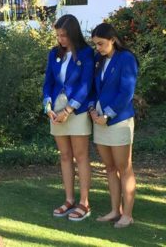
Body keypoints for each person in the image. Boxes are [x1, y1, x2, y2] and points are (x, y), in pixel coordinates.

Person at [42, 14, 94, 221]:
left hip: (77, 111)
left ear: (73, 33)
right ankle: (69, 199)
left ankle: (84, 202)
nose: (60, 39)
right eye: (58, 36)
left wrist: (69, 110)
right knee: (64, 156)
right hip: (56, 110)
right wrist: (46, 104)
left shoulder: (87, 53)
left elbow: (86, 85)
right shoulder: (54, 54)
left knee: (81, 156)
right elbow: (48, 82)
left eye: (64, 35)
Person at [90, 23, 138, 228]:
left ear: (112, 39)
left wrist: (107, 116)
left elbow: (126, 92)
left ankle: (127, 214)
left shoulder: (126, 59)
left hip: (118, 121)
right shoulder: (99, 60)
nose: (98, 48)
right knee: (109, 168)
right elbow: (94, 88)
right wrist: (93, 110)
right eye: (95, 45)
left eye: (101, 44)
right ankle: (114, 210)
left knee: (124, 168)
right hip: (99, 120)